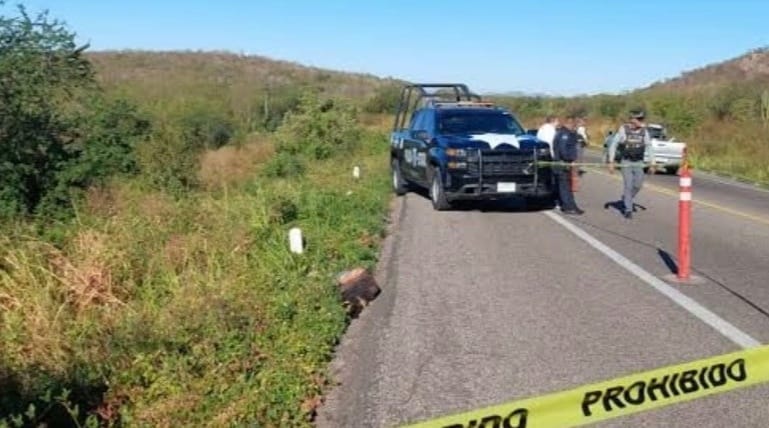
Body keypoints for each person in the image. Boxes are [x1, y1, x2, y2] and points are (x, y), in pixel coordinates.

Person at [607, 109, 657, 219]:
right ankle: (628, 209)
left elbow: (649, 147)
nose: (639, 121)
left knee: (638, 185)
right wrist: (611, 161)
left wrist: (652, 163)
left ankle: (627, 198)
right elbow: (613, 145)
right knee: (628, 185)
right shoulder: (623, 129)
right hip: (626, 162)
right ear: (631, 119)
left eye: (641, 119)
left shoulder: (644, 131)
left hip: (639, 162)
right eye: (637, 119)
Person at [553, 116, 584, 215]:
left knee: (567, 186)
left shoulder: (566, 133)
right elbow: (563, 150)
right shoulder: (564, 134)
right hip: (562, 163)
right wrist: (569, 159)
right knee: (565, 187)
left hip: (565, 164)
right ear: (569, 123)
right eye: (573, 124)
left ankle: (572, 206)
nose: (574, 127)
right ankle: (568, 207)